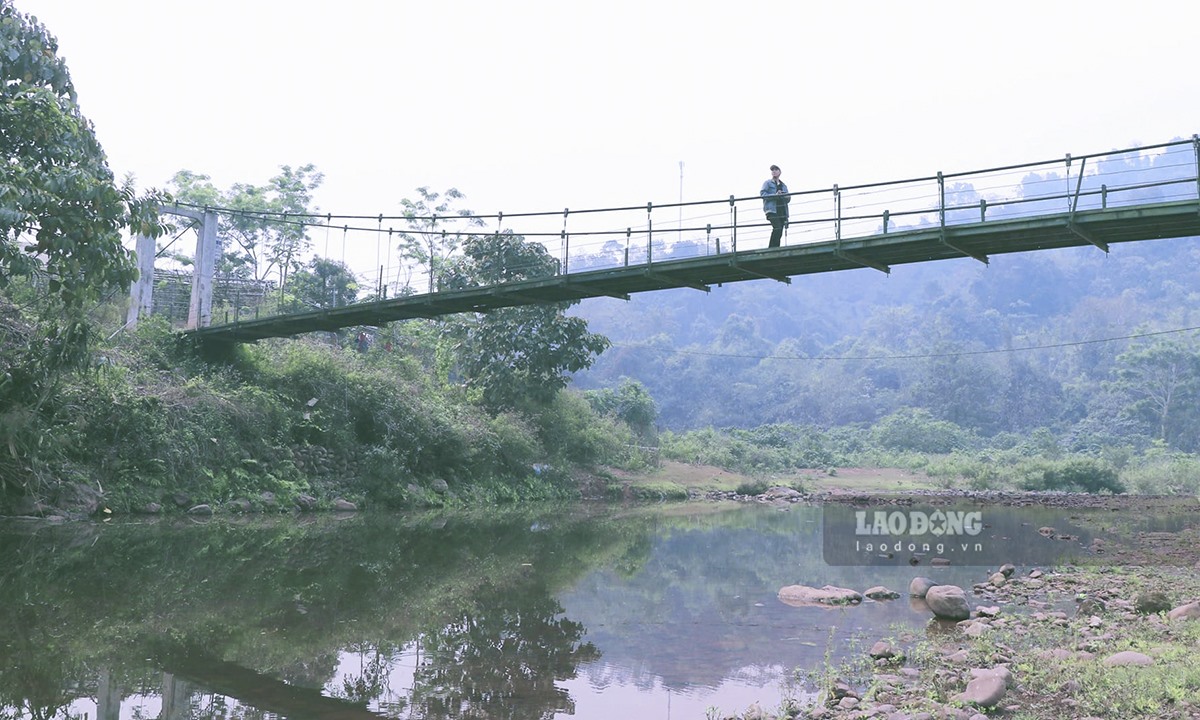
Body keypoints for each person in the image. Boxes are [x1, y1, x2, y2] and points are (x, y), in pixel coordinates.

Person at [760, 164, 790, 248]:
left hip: (782, 210)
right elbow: (762, 194)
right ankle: (772, 248)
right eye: (772, 170)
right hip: (772, 210)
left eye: (776, 169)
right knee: (777, 227)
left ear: (780, 172)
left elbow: (788, 198)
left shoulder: (783, 185)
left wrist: (783, 195)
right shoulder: (767, 183)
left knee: (780, 230)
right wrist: (775, 195)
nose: (774, 171)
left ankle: (776, 248)